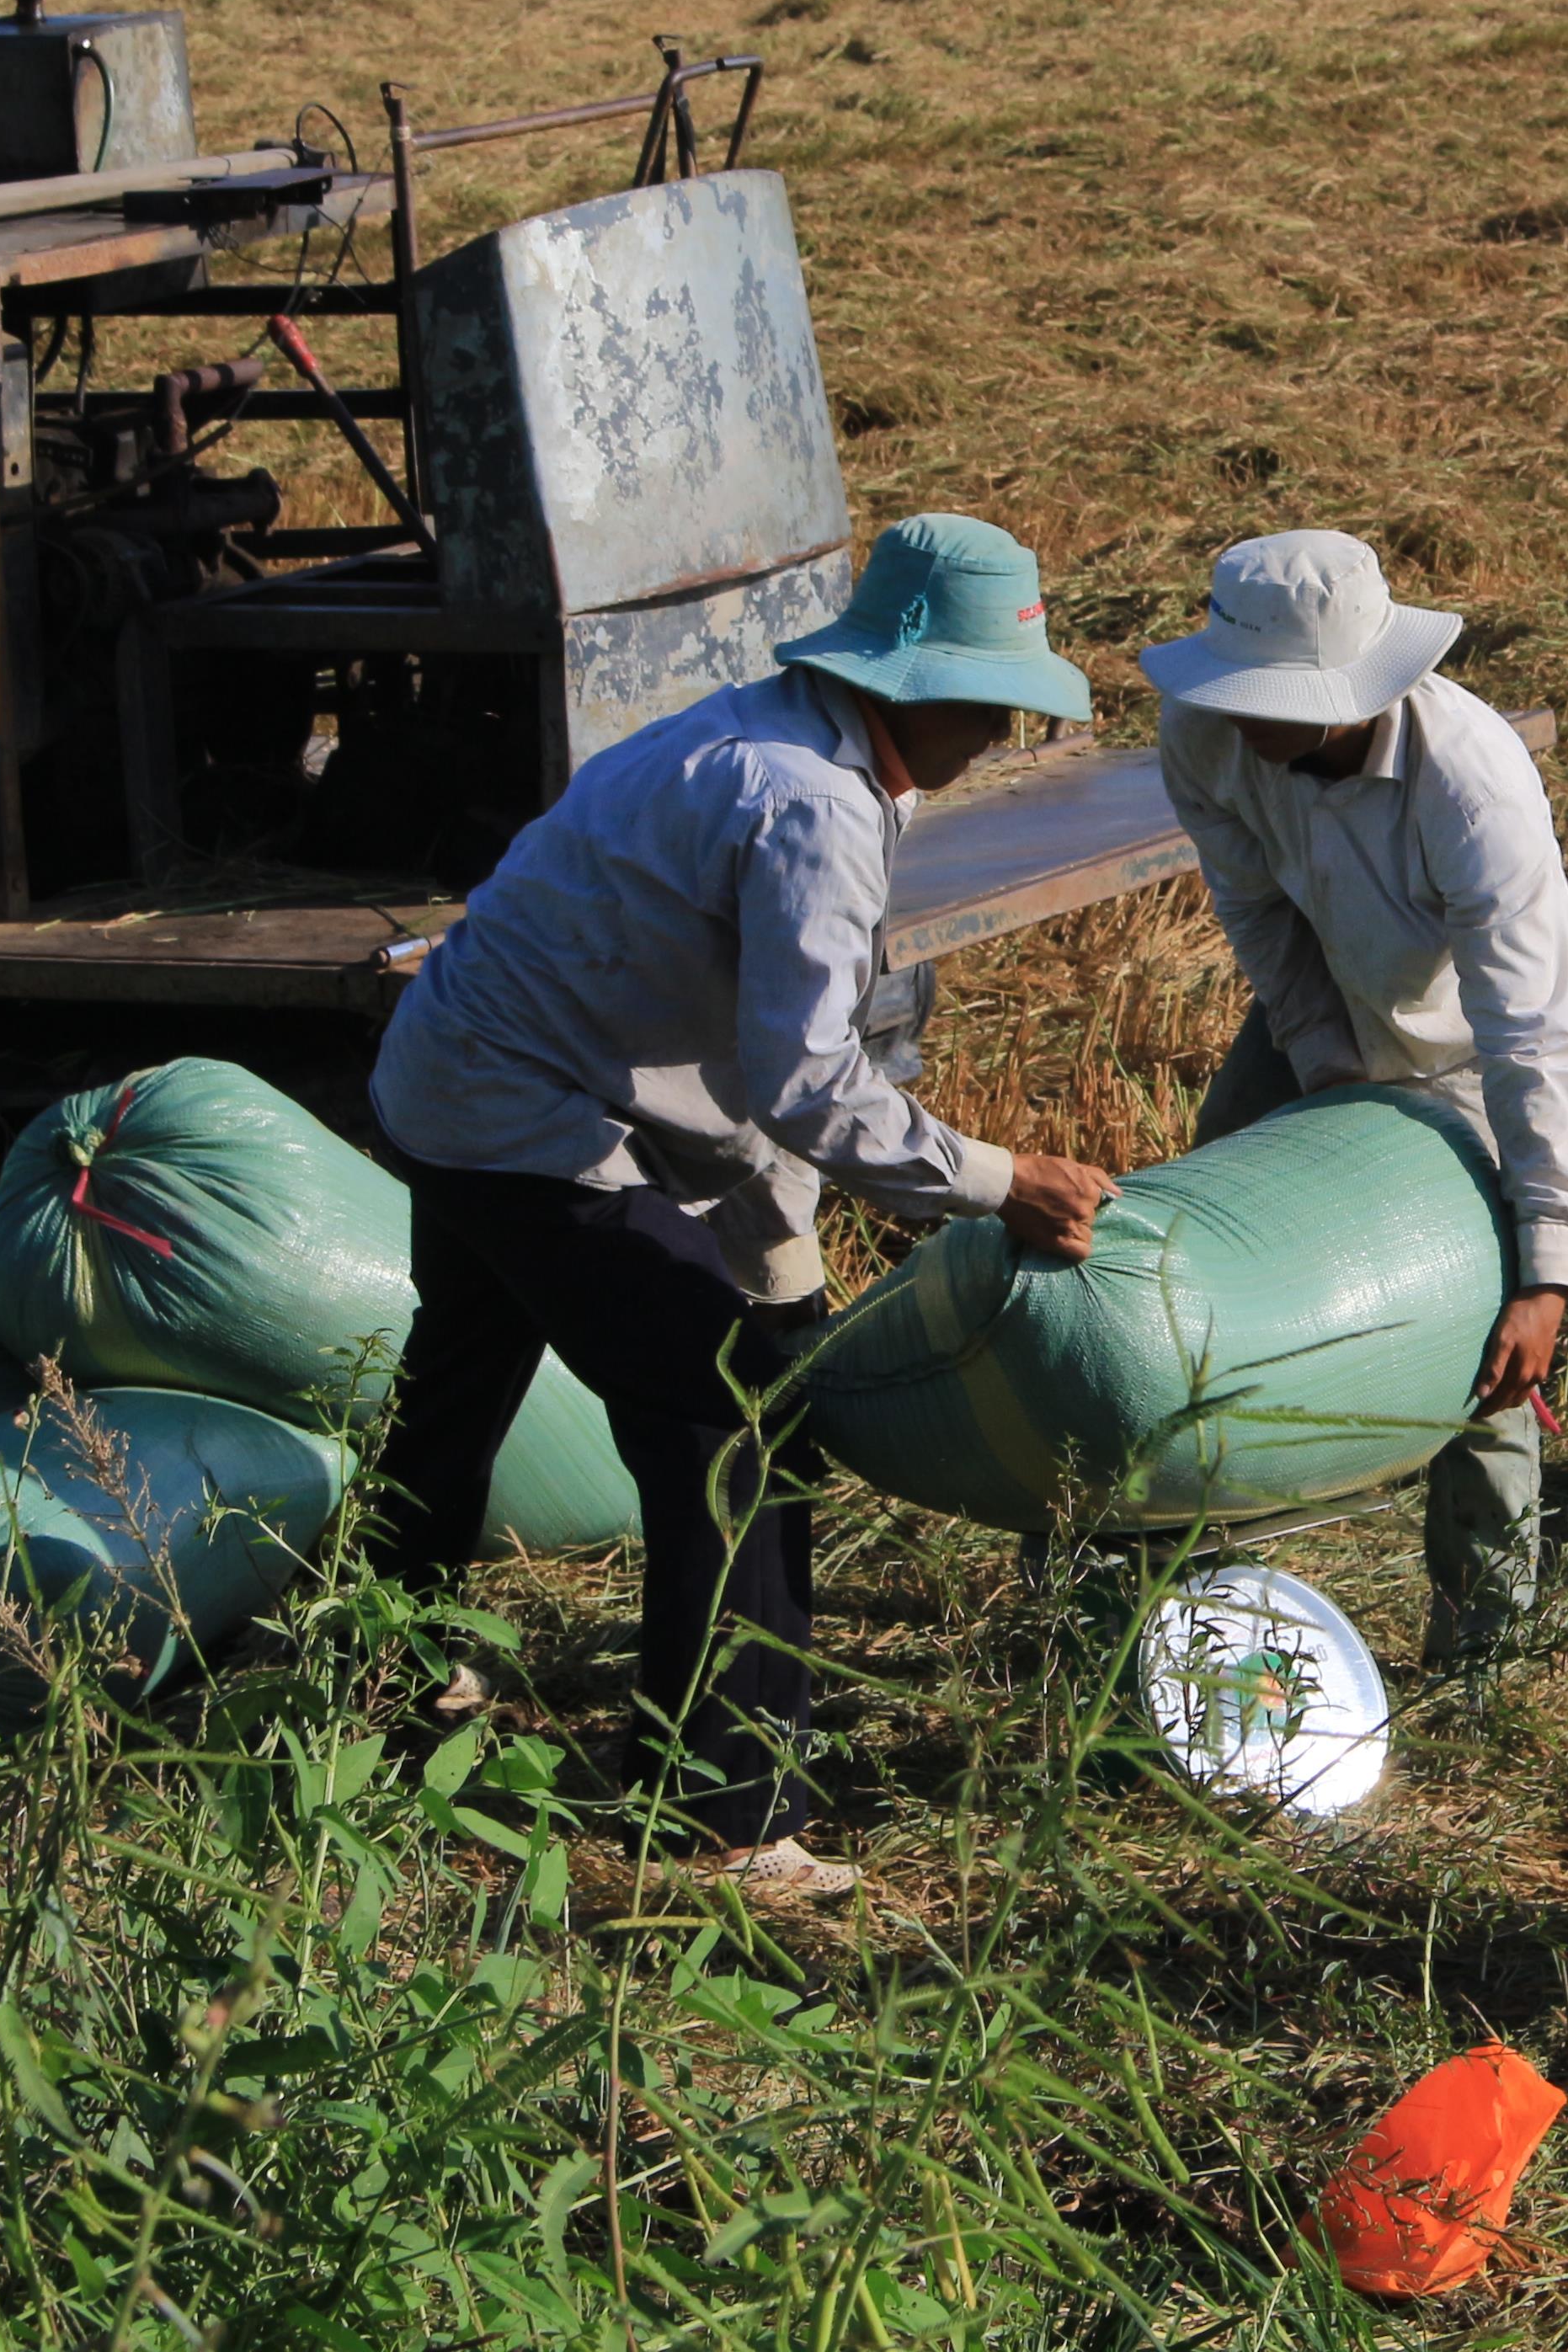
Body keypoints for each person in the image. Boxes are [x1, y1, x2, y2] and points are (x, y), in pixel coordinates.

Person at [366, 513, 1120, 1892]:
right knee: (737, 1430)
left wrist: (785, 1284)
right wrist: (996, 1182)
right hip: (528, 1119)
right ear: (909, 683)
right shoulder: (812, 802)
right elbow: (807, 1081)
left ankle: (367, 1674)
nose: (1005, 731)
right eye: (989, 700)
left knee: (458, 1391)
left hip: (451, 1074)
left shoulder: (787, 739)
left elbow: (749, 1063)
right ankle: (724, 1813)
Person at [1142, 529, 1568, 1670]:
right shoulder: (1203, 733)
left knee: (1486, 1339)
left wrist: (1545, 1266)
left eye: (1275, 702)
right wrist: (1324, 1072)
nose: (1248, 720)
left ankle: (1485, 1641)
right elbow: (1258, 913)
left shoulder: (1471, 784)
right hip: (1326, 1013)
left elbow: (1532, 1021)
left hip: (1463, 1053)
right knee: (1208, 1248)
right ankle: (1188, 1573)